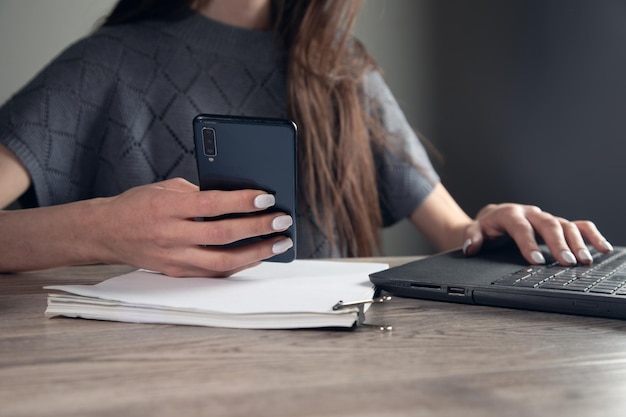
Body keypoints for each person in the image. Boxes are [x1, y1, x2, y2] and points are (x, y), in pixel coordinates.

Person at [0, 0, 613, 277]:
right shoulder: (101, 68)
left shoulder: (344, 72)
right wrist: (104, 230)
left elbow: (458, 234)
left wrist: (494, 224)